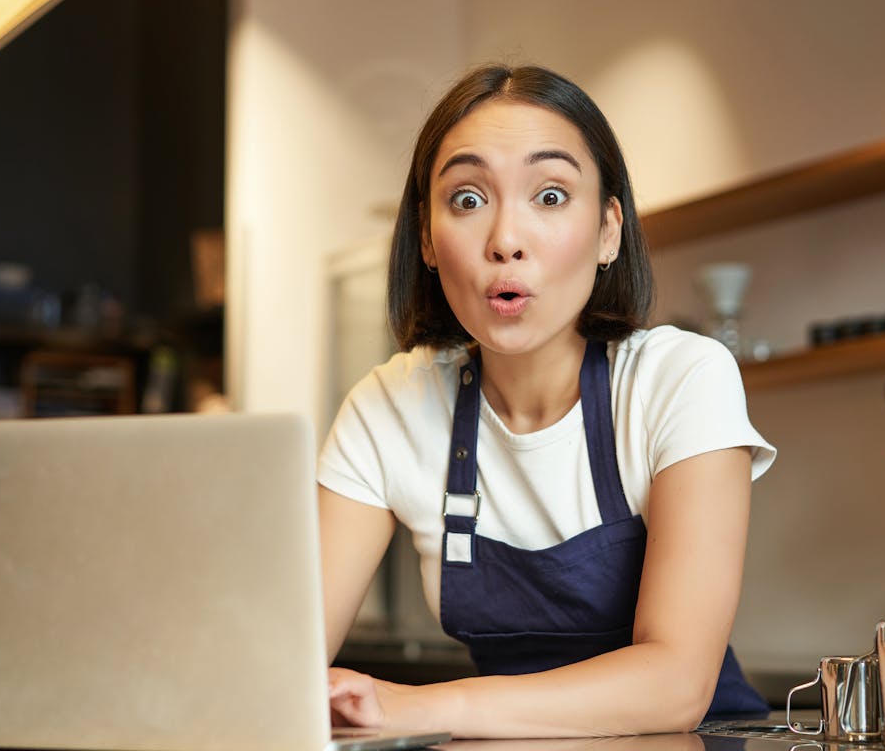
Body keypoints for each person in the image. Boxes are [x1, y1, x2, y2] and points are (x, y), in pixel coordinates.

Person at [317, 64, 776, 739]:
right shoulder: (388, 407)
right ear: (425, 237)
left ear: (609, 230)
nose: (506, 239)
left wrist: (428, 706)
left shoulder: (681, 379)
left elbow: (677, 683)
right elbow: (283, 656)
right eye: (468, 200)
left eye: (552, 195)